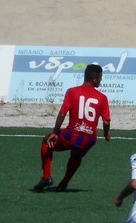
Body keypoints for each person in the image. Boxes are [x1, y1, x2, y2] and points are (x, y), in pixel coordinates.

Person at [33, 63, 111, 192]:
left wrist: (55, 132)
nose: (101, 80)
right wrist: (106, 135)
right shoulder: (102, 98)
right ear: (94, 79)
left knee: (46, 141)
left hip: (71, 135)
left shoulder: (72, 92)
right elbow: (106, 122)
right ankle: (63, 184)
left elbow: (62, 113)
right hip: (89, 139)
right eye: (100, 77)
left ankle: (46, 177)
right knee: (76, 156)